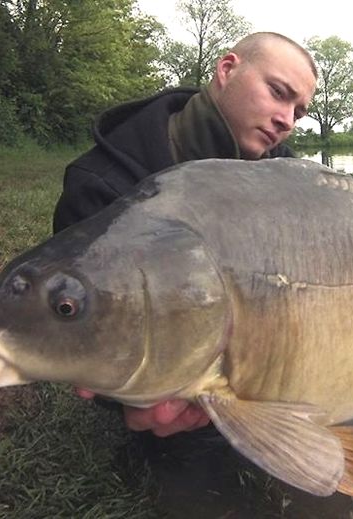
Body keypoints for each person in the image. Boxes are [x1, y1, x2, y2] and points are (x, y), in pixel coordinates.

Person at [53, 32, 319, 436]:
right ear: (227, 70)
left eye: (298, 113)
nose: (286, 120)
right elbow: (83, 326)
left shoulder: (282, 175)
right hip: (172, 375)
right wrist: (126, 398)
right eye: (278, 93)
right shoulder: (101, 185)